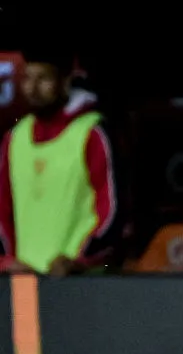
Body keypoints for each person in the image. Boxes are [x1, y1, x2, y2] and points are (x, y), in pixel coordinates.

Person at [0, 49, 118, 276]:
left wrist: (80, 262)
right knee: (25, 314)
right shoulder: (13, 139)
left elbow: (111, 215)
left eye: (43, 78)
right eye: (26, 78)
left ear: (65, 81)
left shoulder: (92, 133)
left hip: (76, 284)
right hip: (24, 284)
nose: (32, 88)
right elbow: (2, 214)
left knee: (76, 313)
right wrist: (7, 261)